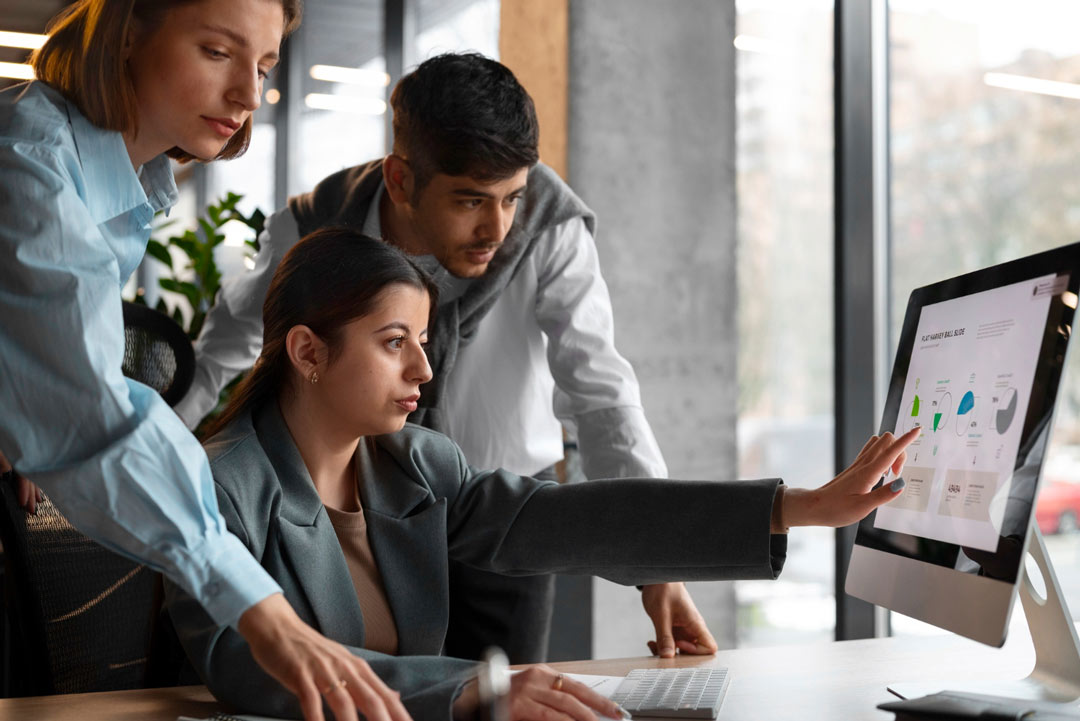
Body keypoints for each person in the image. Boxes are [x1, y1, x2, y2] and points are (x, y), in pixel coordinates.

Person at [164, 227, 917, 721]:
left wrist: (798, 507)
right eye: (395, 342)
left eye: (423, 340)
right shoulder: (214, 487)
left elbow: (572, 520)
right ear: (307, 352)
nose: (424, 368)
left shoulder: (416, 464)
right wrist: (469, 687)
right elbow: (249, 665)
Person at [174, 51, 711, 664]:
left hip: (503, 515)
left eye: (512, 198)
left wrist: (659, 563)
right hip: (362, 517)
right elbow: (224, 349)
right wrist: (145, 459)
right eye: (470, 201)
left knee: (507, 703)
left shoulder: (550, 224)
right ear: (400, 179)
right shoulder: (320, 225)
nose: (499, 229)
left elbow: (601, 392)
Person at [0, 3, 410, 721]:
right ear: (127, 33)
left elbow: (53, 363)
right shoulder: (29, 167)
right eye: (218, 52)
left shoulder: (107, 176)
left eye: (262, 67)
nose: (250, 95)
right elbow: (96, 412)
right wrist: (264, 609)